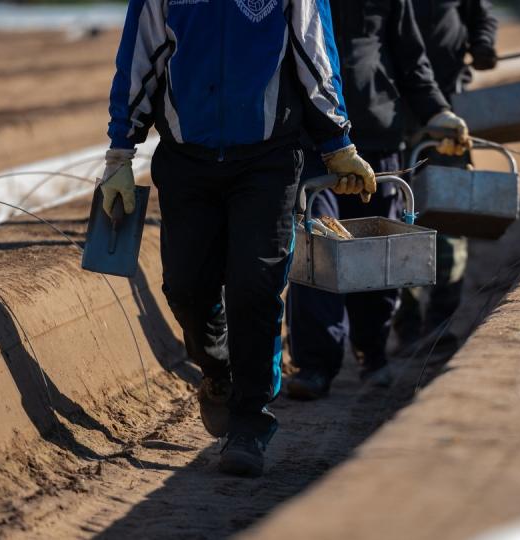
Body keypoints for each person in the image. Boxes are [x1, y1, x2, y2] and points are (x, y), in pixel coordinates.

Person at [99, 0, 376, 478]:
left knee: (257, 286)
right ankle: (218, 372)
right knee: (185, 286)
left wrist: (339, 145)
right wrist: (120, 155)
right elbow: (140, 57)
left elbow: (315, 52)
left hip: (268, 158)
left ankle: (250, 420)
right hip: (187, 158)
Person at [285, 0, 470, 400]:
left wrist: (438, 111)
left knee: (377, 258)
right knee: (318, 251)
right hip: (314, 142)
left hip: (378, 138)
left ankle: (373, 352)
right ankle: (315, 364)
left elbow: (410, 58)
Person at [395, 0, 498, 353]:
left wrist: (483, 44)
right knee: (398, 223)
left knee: (449, 221)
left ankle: (439, 324)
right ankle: (404, 323)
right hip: (394, 113)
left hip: (449, 114)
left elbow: (482, 17)